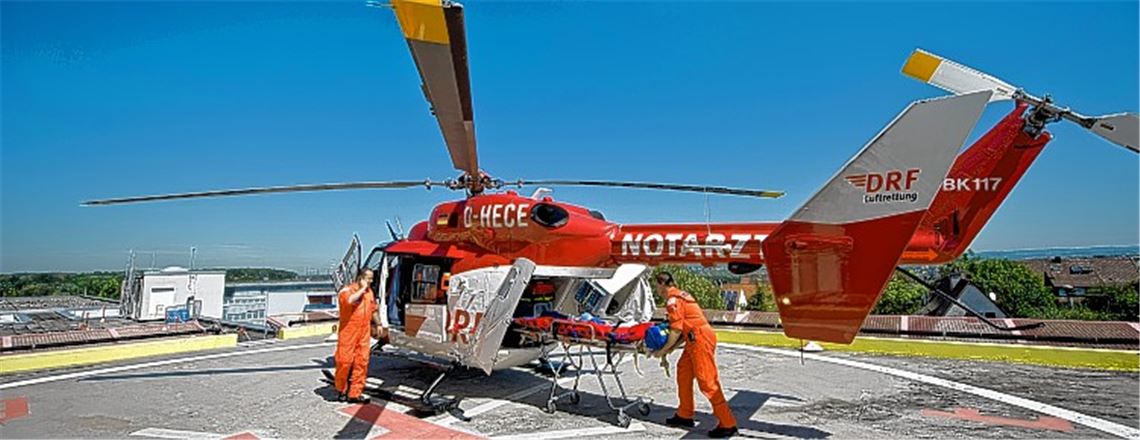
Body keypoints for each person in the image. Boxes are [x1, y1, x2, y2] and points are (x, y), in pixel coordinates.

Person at [650, 271, 738, 438]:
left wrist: (663, 350)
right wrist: (670, 348)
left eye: (657, 286)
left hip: (699, 339)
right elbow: (683, 330)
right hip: (695, 338)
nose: (657, 289)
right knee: (683, 371)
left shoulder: (672, 300)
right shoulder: (682, 296)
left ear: (661, 284)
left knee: (707, 381)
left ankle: (728, 423)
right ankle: (685, 414)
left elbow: (675, 331)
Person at [335, 268, 376, 404]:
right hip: (348, 330)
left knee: (362, 362)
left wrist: (380, 324)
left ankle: (355, 393)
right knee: (344, 361)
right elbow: (350, 301)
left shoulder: (369, 293)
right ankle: (341, 389)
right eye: (369, 278)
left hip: (364, 331)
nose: (371, 281)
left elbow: (373, 309)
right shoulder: (346, 291)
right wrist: (362, 289)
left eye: (371, 278)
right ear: (360, 278)